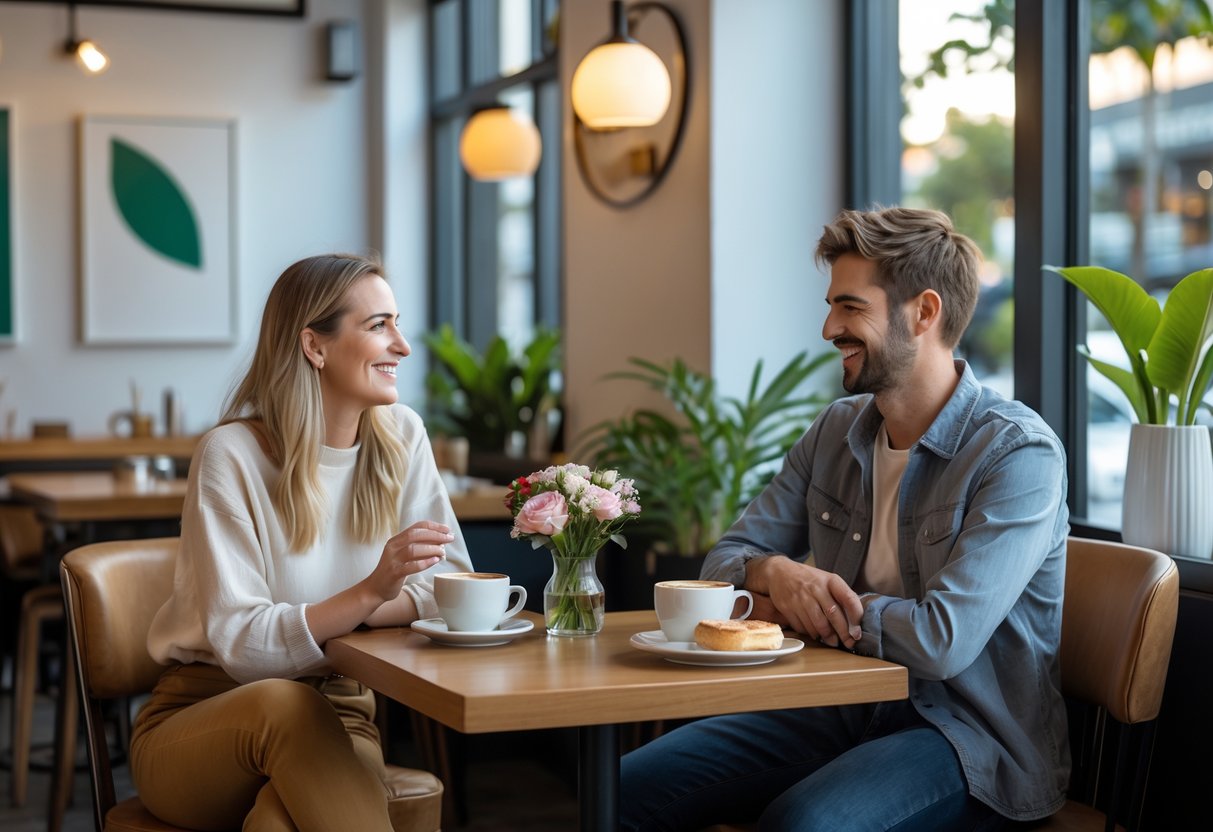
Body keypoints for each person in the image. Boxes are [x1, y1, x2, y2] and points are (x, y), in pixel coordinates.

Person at [621, 208, 1070, 831]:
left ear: (925, 312)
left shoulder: (1017, 453)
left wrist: (820, 609)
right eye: (832, 305)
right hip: (841, 705)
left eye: (851, 307)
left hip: (969, 740)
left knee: (802, 824)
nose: (829, 327)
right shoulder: (835, 431)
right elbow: (723, 563)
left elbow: (943, 642)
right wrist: (776, 572)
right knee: (622, 788)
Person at [131, 253, 474, 831]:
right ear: (314, 347)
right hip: (204, 718)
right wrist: (369, 595)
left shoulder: (402, 436)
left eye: (397, 322)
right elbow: (244, 647)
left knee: (276, 824)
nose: (403, 346)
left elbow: (452, 587)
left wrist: (376, 596)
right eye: (378, 326)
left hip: (343, 714)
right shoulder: (230, 456)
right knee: (288, 703)